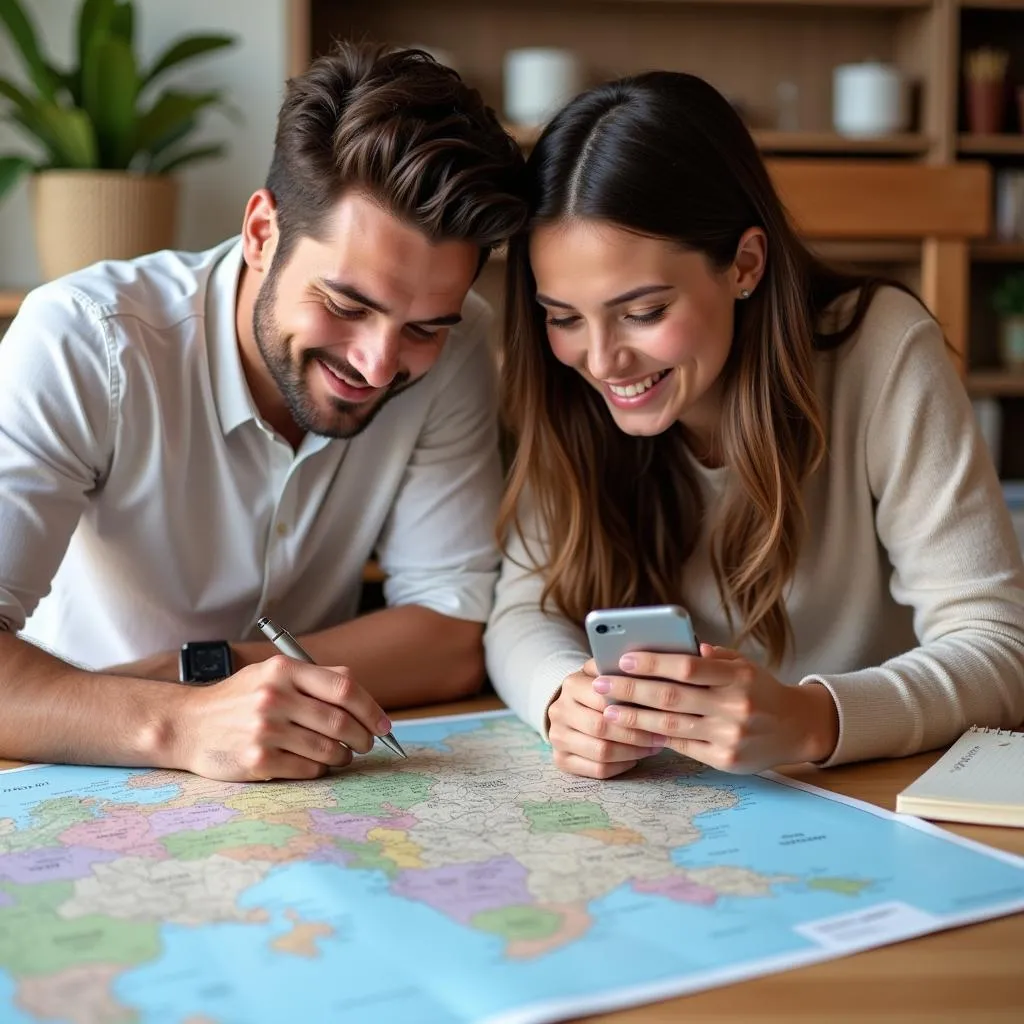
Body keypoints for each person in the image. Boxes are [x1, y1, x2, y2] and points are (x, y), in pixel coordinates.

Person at [0, 42, 527, 781]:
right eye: (346, 305)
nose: (378, 364)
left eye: (422, 328)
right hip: (86, 770)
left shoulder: (458, 344)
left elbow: (448, 634)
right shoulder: (86, 340)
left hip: (305, 785)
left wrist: (211, 671)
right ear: (260, 233)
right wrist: (181, 724)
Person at [485, 70, 1024, 780]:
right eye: (562, 317)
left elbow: (998, 647)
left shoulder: (882, 349)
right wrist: (562, 695)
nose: (602, 359)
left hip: (864, 792)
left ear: (744, 265)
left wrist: (812, 719)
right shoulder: (566, 389)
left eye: (643, 312)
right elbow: (518, 615)